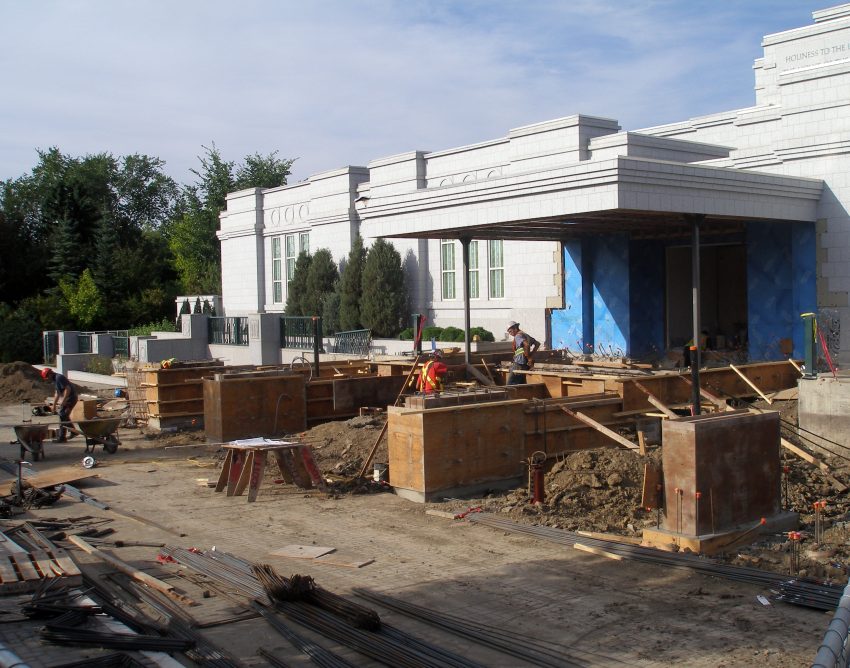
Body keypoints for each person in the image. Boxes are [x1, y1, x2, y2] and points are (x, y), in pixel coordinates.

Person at [41, 368, 78, 442]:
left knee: (62, 415)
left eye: (47, 377)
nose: (47, 379)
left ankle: (62, 437)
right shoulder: (55, 379)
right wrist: (54, 406)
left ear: (50, 374)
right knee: (64, 416)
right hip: (69, 399)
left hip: (70, 399)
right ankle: (73, 432)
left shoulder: (59, 378)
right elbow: (57, 393)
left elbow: (68, 389)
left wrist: (63, 401)